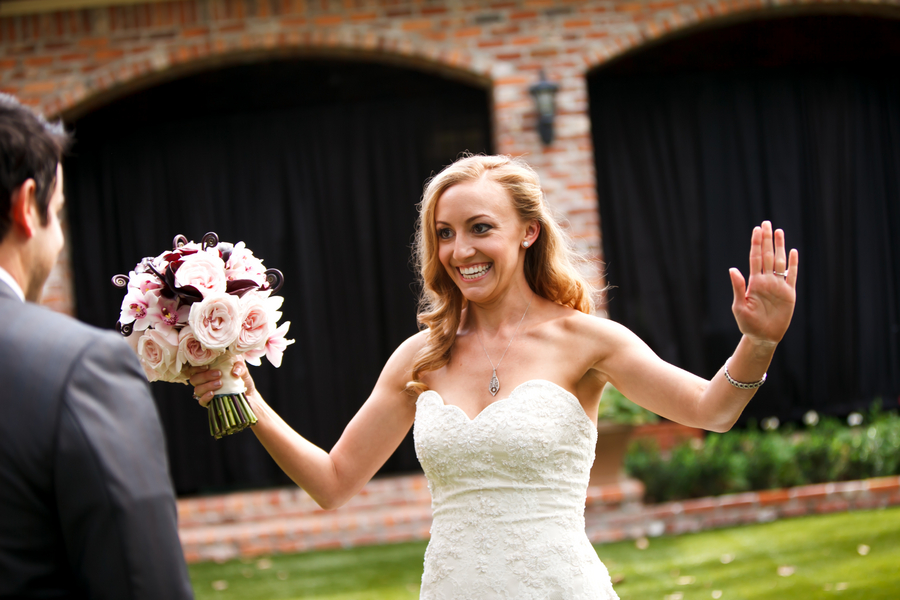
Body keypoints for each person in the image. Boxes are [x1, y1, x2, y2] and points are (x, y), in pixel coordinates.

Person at [190, 154, 799, 598]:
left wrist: (759, 341)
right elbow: (333, 482)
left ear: (528, 232)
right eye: (445, 234)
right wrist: (247, 397)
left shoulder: (587, 341)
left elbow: (711, 410)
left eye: (481, 228)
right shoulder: (419, 358)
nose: (460, 251)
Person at [0, 94, 194, 599]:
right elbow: (142, 583)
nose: (59, 239)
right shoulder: (80, 367)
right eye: (57, 214)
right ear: (27, 208)